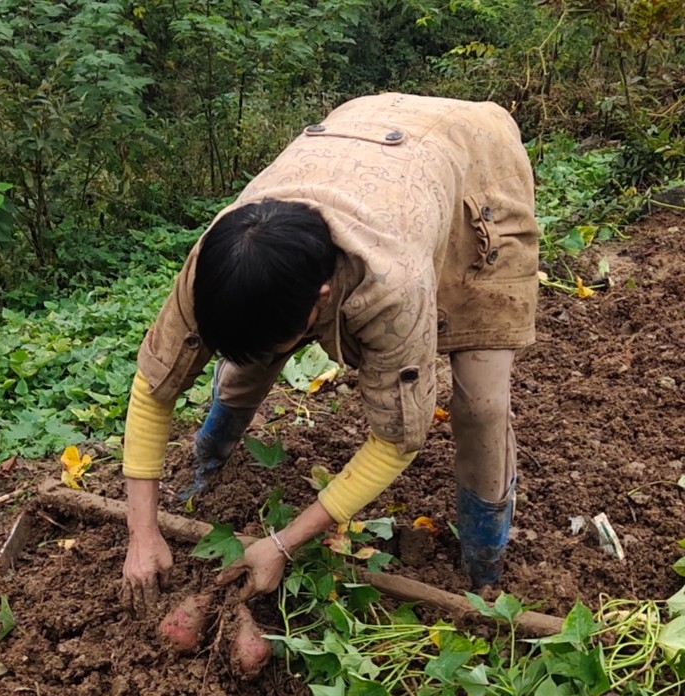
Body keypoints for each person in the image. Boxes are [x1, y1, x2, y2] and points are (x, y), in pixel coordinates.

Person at [120, 93, 539, 613]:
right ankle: (205, 472)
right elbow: (154, 386)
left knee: (480, 408)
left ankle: (484, 563)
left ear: (320, 303)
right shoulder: (219, 256)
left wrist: (282, 543)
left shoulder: (391, 287)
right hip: (360, 135)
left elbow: (396, 441)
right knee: (242, 369)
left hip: (476, 173)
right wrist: (142, 532)